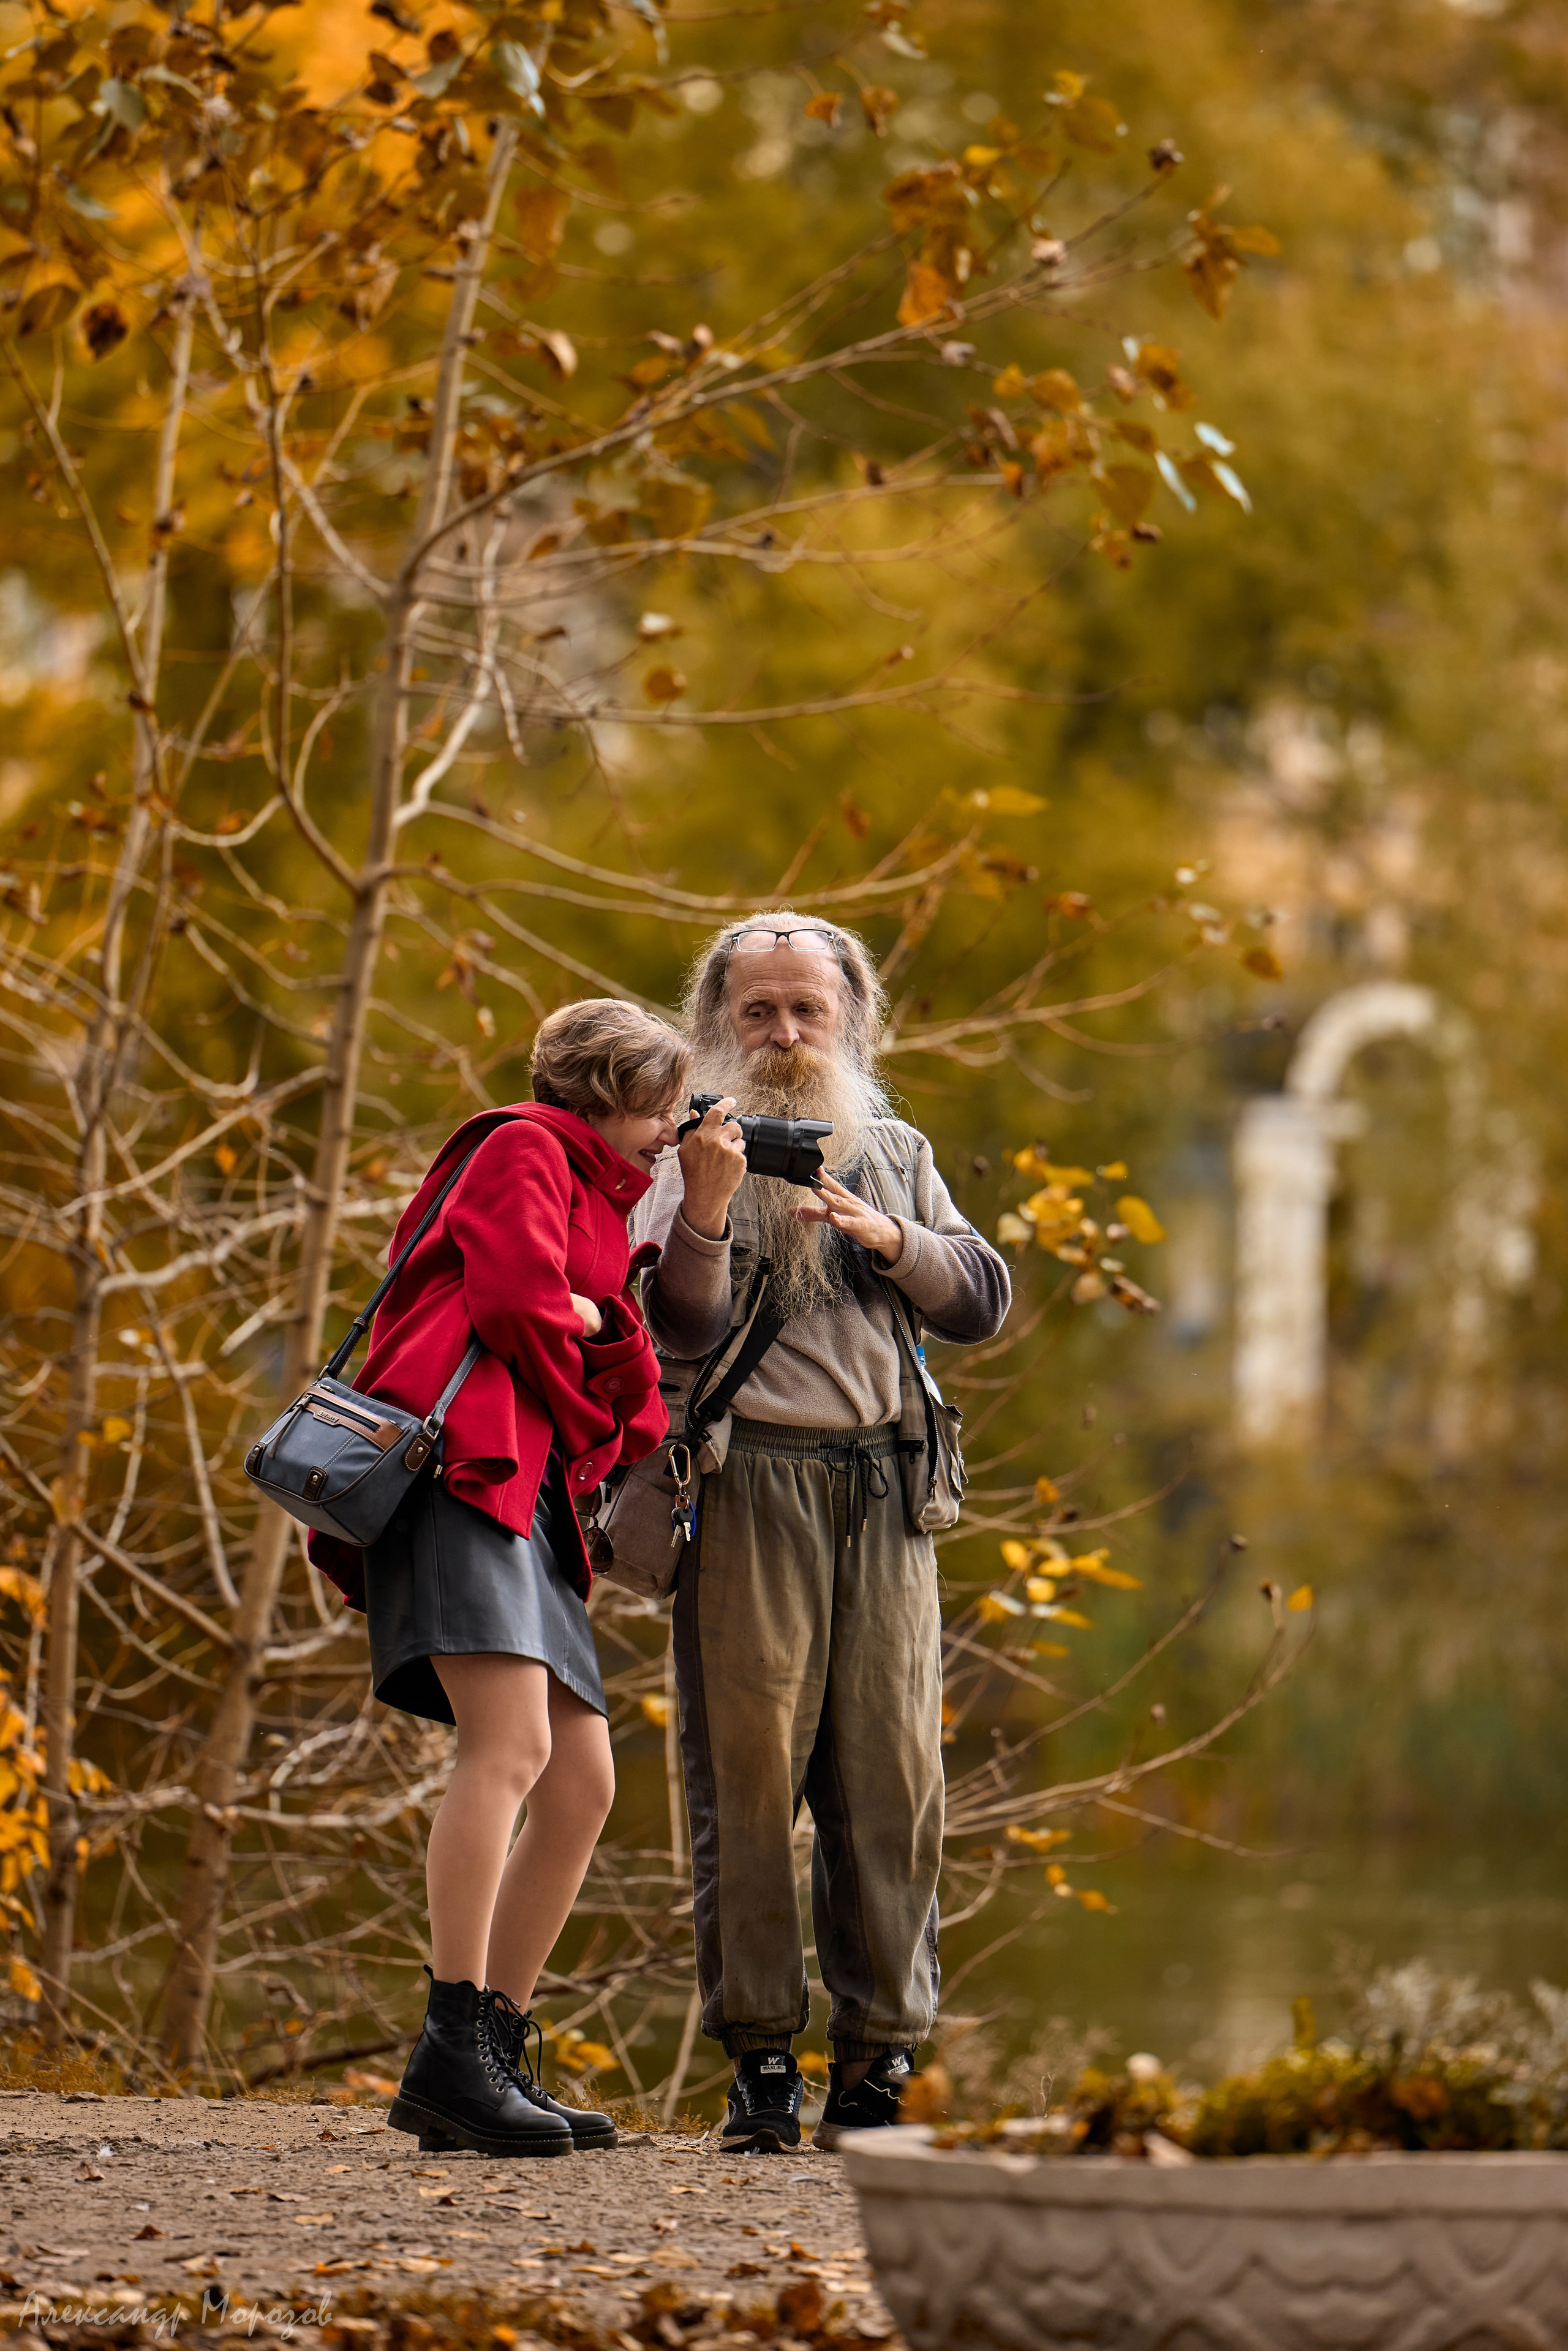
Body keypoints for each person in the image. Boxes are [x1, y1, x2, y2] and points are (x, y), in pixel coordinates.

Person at [634, 914, 1011, 2151]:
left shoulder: (892, 1148)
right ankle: (758, 2063)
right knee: (743, 1781)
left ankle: (879, 2062)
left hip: (886, 1492)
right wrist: (703, 1207)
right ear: (719, 1022)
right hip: (751, 1487)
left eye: (807, 1008)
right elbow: (670, 1333)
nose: (786, 1033)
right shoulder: (684, 1153)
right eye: (759, 1011)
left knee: (894, 1779)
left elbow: (980, 1301)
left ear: (850, 1016)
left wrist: (888, 1240)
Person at [311, 998, 688, 2157]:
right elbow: (524, 1312)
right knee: (512, 1749)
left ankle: (491, 2047)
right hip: (465, 1469)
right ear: (611, 1094)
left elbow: (637, 1398)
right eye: (664, 1107)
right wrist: (587, 1368)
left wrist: (598, 1341)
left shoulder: (603, 1197)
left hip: (527, 1492)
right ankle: (447, 2052)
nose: (675, 1131)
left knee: (581, 1781)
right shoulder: (522, 1145)